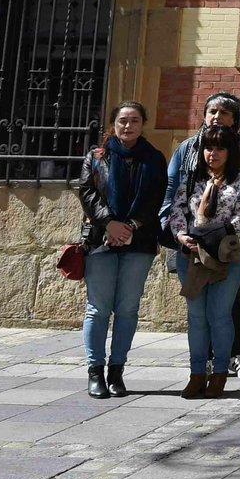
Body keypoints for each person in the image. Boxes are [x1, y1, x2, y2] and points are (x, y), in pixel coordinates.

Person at [161, 92, 240, 378]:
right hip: (191, 241)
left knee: (229, 300)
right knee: (199, 300)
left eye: (224, 112)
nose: (216, 116)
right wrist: (171, 228)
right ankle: (203, 361)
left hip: (231, 241)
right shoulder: (188, 148)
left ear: (236, 119)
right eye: (211, 111)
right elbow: (173, 190)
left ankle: (234, 355)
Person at [78, 101, 166, 399]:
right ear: (113, 124)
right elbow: (87, 193)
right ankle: (95, 372)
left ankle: (117, 371)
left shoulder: (154, 158)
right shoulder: (96, 157)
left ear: (143, 124)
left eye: (135, 121)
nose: (128, 126)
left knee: (127, 309)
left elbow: (156, 197)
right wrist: (110, 223)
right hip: (100, 241)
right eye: (123, 121)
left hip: (139, 241)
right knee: (98, 308)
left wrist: (129, 225)